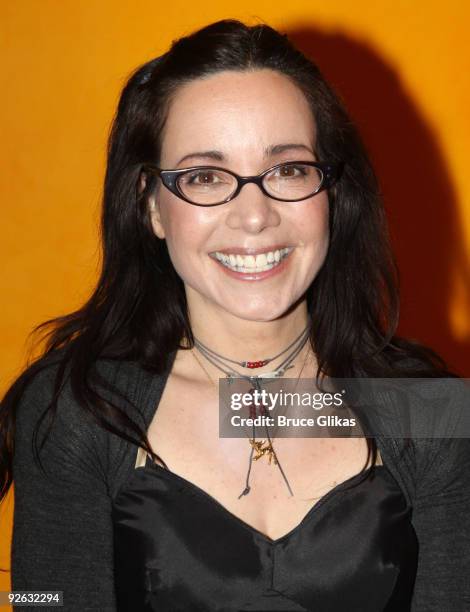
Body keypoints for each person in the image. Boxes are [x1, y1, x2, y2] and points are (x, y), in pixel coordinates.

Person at [1, 18, 469, 612]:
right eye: (204, 176)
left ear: (332, 192)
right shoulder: (74, 411)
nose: (254, 215)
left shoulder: (433, 417)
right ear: (151, 207)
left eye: (288, 169)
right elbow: (45, 599)